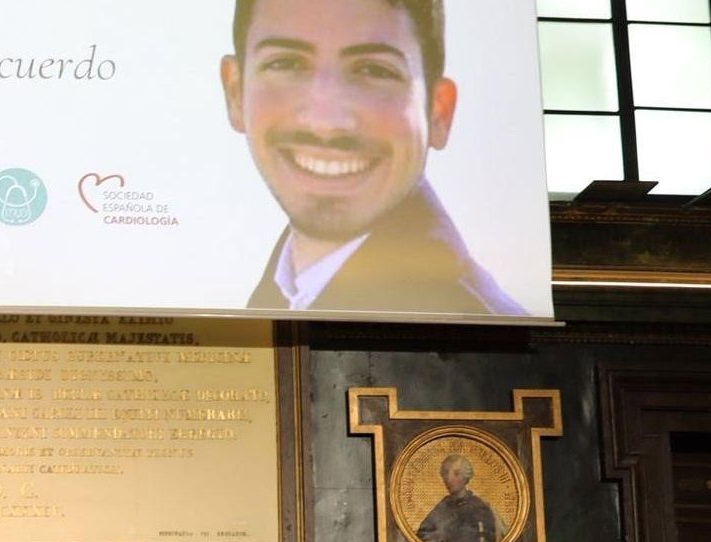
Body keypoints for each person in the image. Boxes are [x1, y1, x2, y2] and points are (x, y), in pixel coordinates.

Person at [221, 0, 525, 315]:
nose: (326, 122)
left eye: (374, 70)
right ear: (235, 92)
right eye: (286, 64)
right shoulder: (281, 292)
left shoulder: (480, 331)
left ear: (439, 113)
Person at [415, 453, 502, 542]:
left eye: (456, 473)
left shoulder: (481, 508)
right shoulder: (441, 508)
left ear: (466, 477)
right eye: (446, 473)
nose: (449, 479)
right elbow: (423, 536)